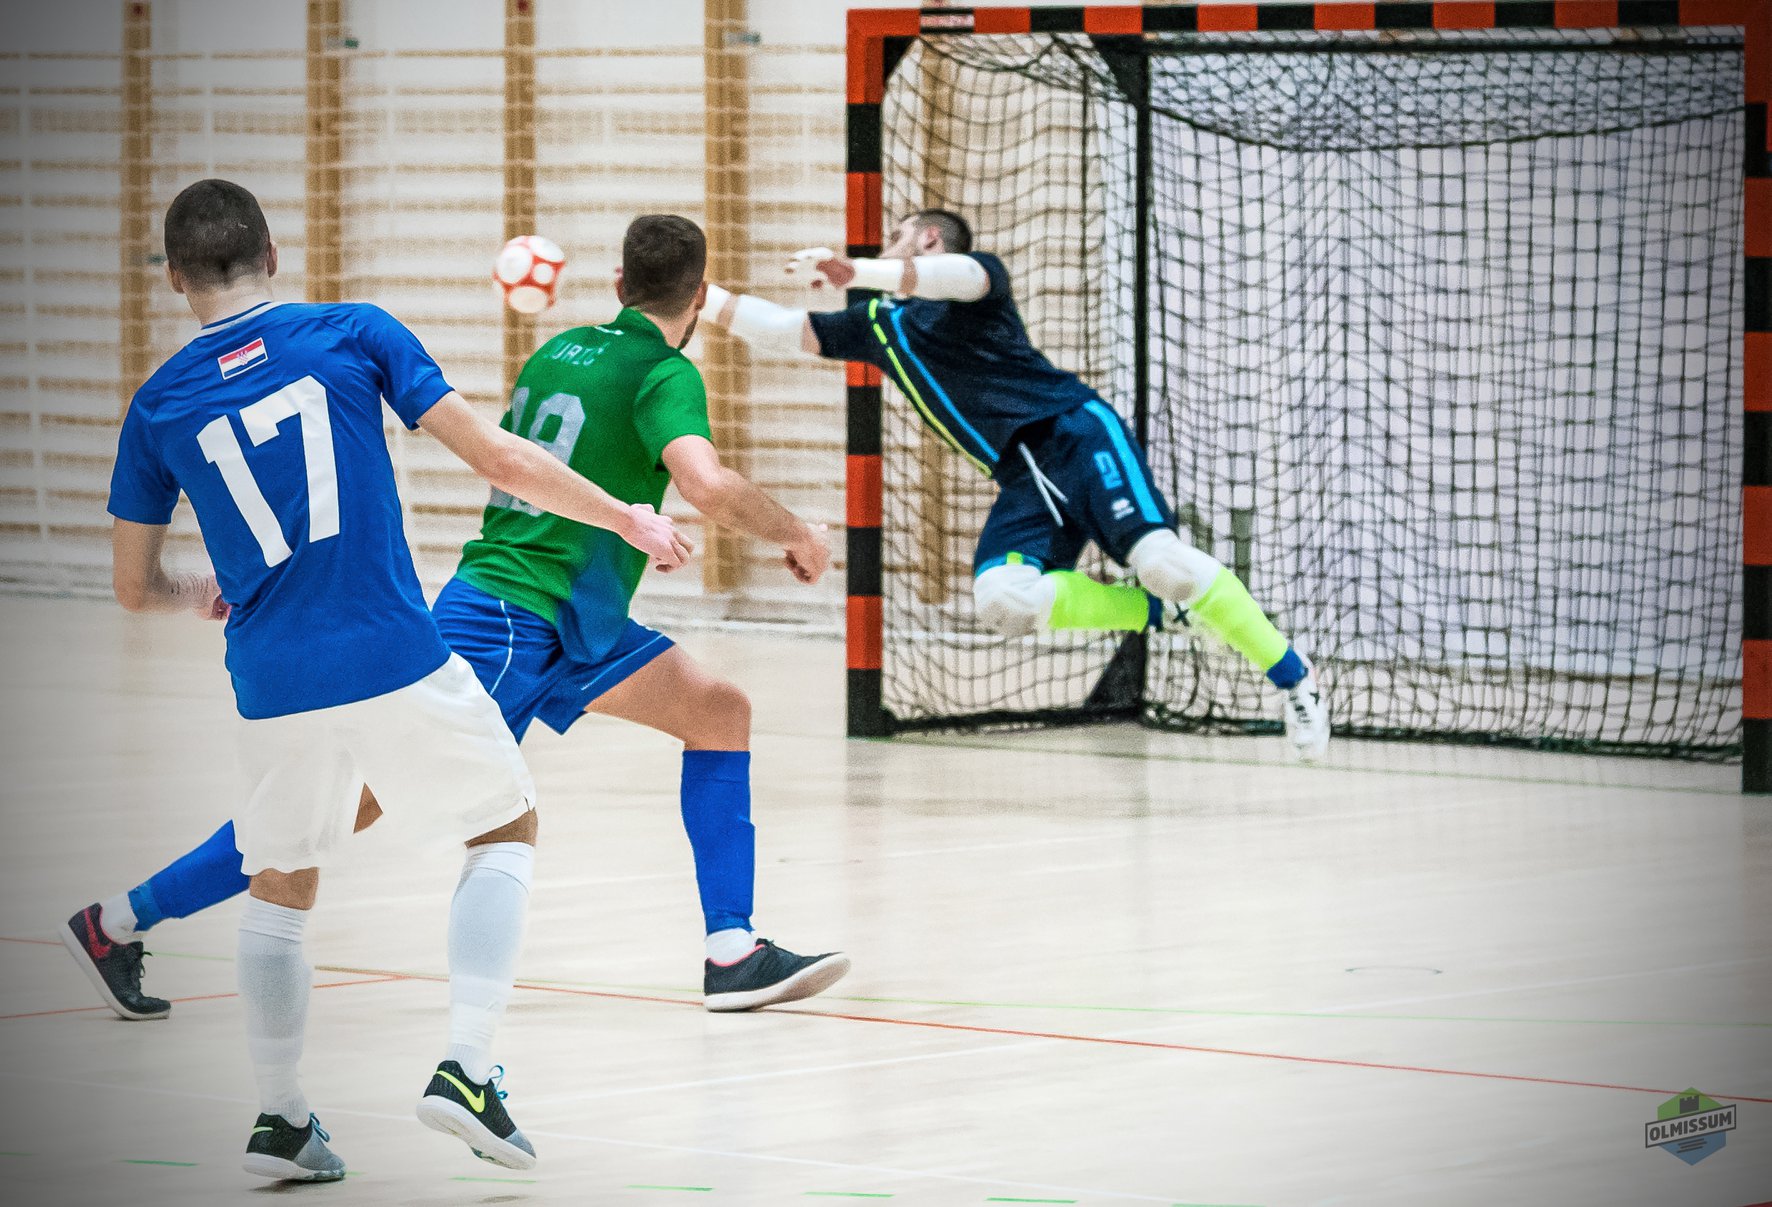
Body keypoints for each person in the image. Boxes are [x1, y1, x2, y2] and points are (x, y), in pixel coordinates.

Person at [66, 215, 848, 1039]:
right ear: (699, 293)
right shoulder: (664, 371)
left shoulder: (558, 352)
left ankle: (731, 949)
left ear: (618, 285)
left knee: (718, 709)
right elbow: (706, 484)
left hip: (573, 616)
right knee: (331, 809)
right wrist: (799, 535)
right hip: (512, 615)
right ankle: (117, 920)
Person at [97, 178, 687, 1182]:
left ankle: (282, 1119)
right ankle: (466, 1065)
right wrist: (625, 515)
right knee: (504, 824)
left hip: (271, 679)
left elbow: (130, 586)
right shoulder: (354, 331)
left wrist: (198, 586)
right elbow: (500, 458)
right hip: (388, 650)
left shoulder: (157, 404)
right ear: (274, 256)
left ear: (172, 278)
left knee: (280, 880)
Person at [698, 208, 1330, 759]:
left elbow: (955, 277)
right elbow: (780, 331)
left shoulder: (978, 280)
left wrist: (854, 271)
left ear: (927, 240)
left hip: (1076, 435)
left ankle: (1295, 679)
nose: (888, 244)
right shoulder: (882, 329)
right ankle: (1165, 615)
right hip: (1024, 483)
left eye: (898, 236)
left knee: (1163, 560)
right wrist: (697, 296)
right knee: (1004, 600)